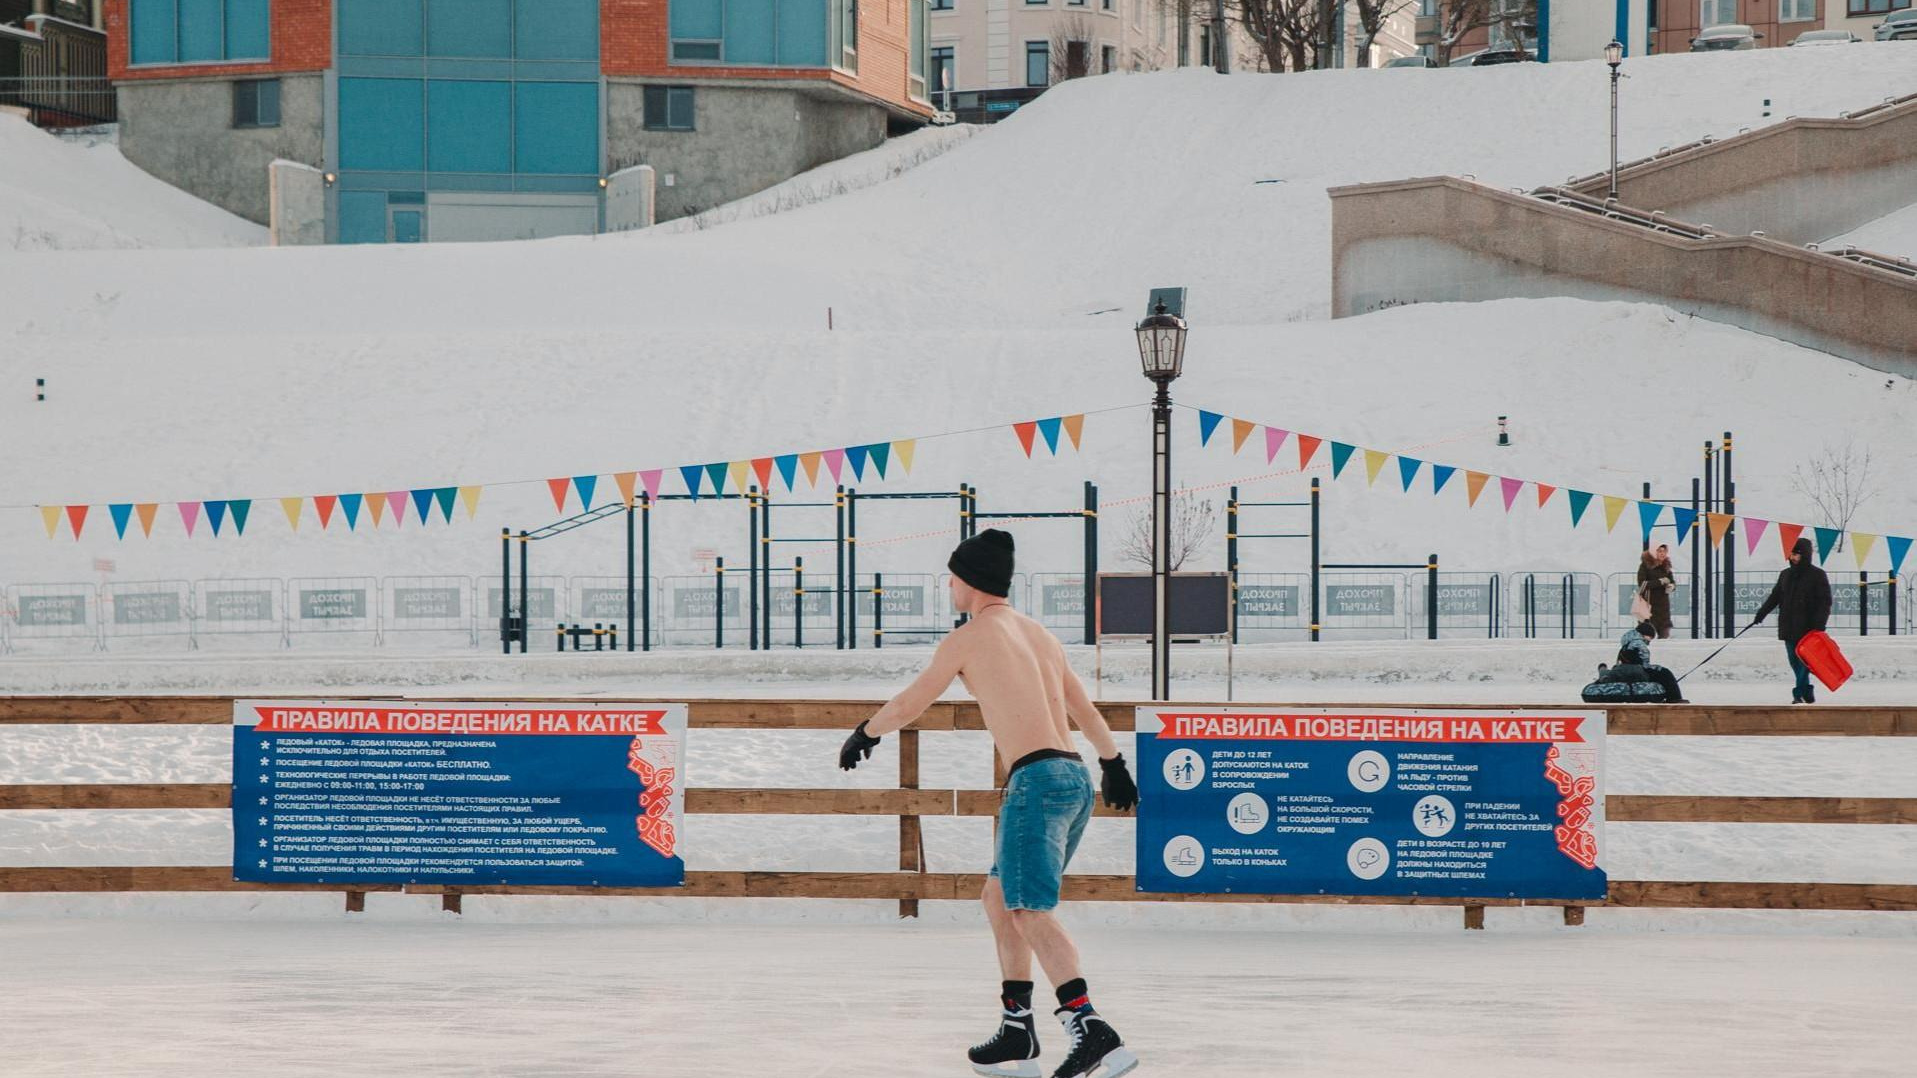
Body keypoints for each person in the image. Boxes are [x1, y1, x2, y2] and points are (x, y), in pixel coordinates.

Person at [838, 528, 1140, 1078]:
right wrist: (1113, 763)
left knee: (1027, 907)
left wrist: (867, 731)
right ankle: (1018, 1029)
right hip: (1073, 778)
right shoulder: (1040, 635)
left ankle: (1091, 1027)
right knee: (999, 899)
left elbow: (913, 701)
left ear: (969, 580)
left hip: (1037, 781)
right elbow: (1084, 708)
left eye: (952, 577)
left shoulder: (969, 637)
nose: (949, 587)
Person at [1751, 536, 1832, 703]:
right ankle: (1807, 690)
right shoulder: (1785, 575)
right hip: (1788, 626)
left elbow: (1825, 602)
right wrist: (1761, 613)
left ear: (1806, 555)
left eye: (1796, 554)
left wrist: (1819, 625)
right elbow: (1775, 597)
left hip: (1808, 628)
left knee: (1804, 662)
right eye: (1791, 554)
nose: (1793, 558)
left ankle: (1798, 694)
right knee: (1795, 662)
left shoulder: (1817, 575)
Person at [1609, 619, 1687, 703]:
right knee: (1665, 673)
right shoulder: (1639, 643)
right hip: (1637, 670)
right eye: (1650, 638)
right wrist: (1657, 669)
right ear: (1645, 634)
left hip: (1626, 669)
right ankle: (1674, 698)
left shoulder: (1627, 643)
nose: (1649, 641)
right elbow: (1644, 664)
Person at [1636, 545, 1677, 639]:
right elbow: (1642, 584)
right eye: (1659, 551)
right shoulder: (1645, 566)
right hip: (1648, 606)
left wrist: (1672, 586)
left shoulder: (1666, 566)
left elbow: (1671, 580)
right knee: (1648, 636)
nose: (1662, 553)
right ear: (1654, 552)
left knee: (1664, 635)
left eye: (1664, 551)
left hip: (1663, 608)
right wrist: (1660, 582)